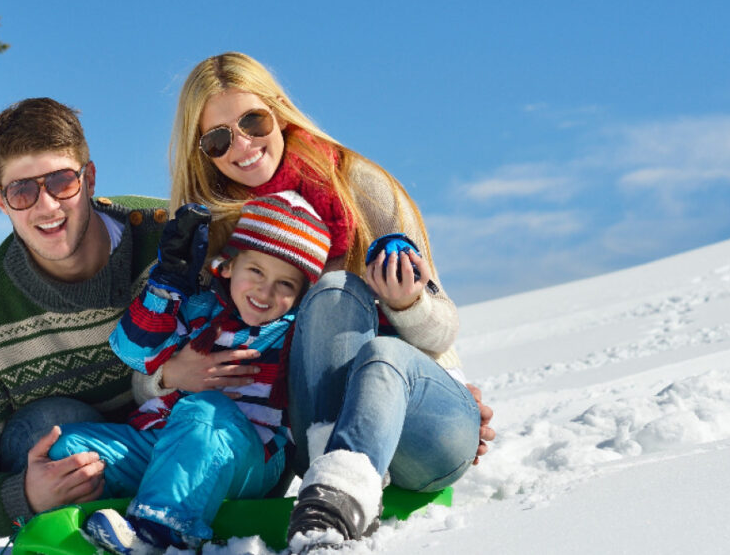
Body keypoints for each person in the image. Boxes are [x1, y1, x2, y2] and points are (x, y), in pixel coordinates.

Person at [157, 52, 496, 552]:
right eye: (219, 138)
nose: (243, 145)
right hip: (301, 441)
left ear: (278, 110)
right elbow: (163, 337)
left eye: (253, 121)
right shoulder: (212, 233)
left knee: (347, 309)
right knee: (329, 301)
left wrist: (407, 307)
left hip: (413, 422)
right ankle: (332, 491)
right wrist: (166, 375)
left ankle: (334, 485)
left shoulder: (358, 185)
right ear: (201, 151)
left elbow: (442, 330)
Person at [0, 98, 172, 540]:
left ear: (90, 178)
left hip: (191, 447)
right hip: (83, 492)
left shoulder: (170, 235)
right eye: (22, 191)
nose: (46, 206)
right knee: (54, 422)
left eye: (61, 182)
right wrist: (25, 495)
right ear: (0, 201)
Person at [50, 192, 330, 554]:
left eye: (285, 284)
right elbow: (133, 352)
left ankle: (158, 534)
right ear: (228, 267)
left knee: (205, 412)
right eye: (256, 271)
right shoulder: (201, 309)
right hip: (166, 442)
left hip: (246, 459)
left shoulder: (294, 333)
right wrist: (166, 285)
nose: (265, 290)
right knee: (71, 450)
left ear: (301, 295)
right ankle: (67, 536)